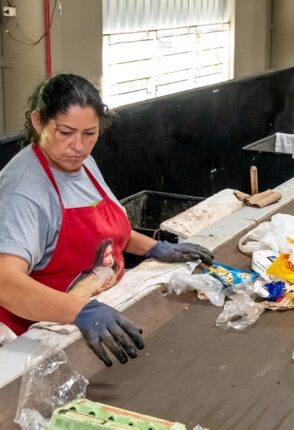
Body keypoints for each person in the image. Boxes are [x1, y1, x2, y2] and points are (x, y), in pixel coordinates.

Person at [0, 74, 214, 366]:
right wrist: (80, 312)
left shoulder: (81, 162)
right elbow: (6, 283)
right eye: (65, 132)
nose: (79, 145)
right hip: (37, 336)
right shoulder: (23, 191)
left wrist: (152, 248)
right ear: (38, 122)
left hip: (98, 313)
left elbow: (100, 232)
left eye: (90, 133)